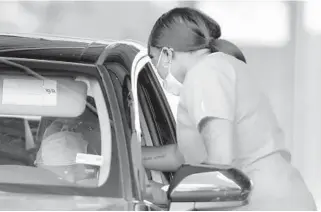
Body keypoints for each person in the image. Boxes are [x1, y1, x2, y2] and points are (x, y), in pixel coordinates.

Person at [143, 7, 317, 210]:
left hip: (266, 203)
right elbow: (182, 155)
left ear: (166, 52)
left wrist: (165, 194)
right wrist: (129, 155)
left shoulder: (205, 75)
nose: (156, 71)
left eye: (153, 60)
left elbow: (220, 165)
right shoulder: (218, 68)